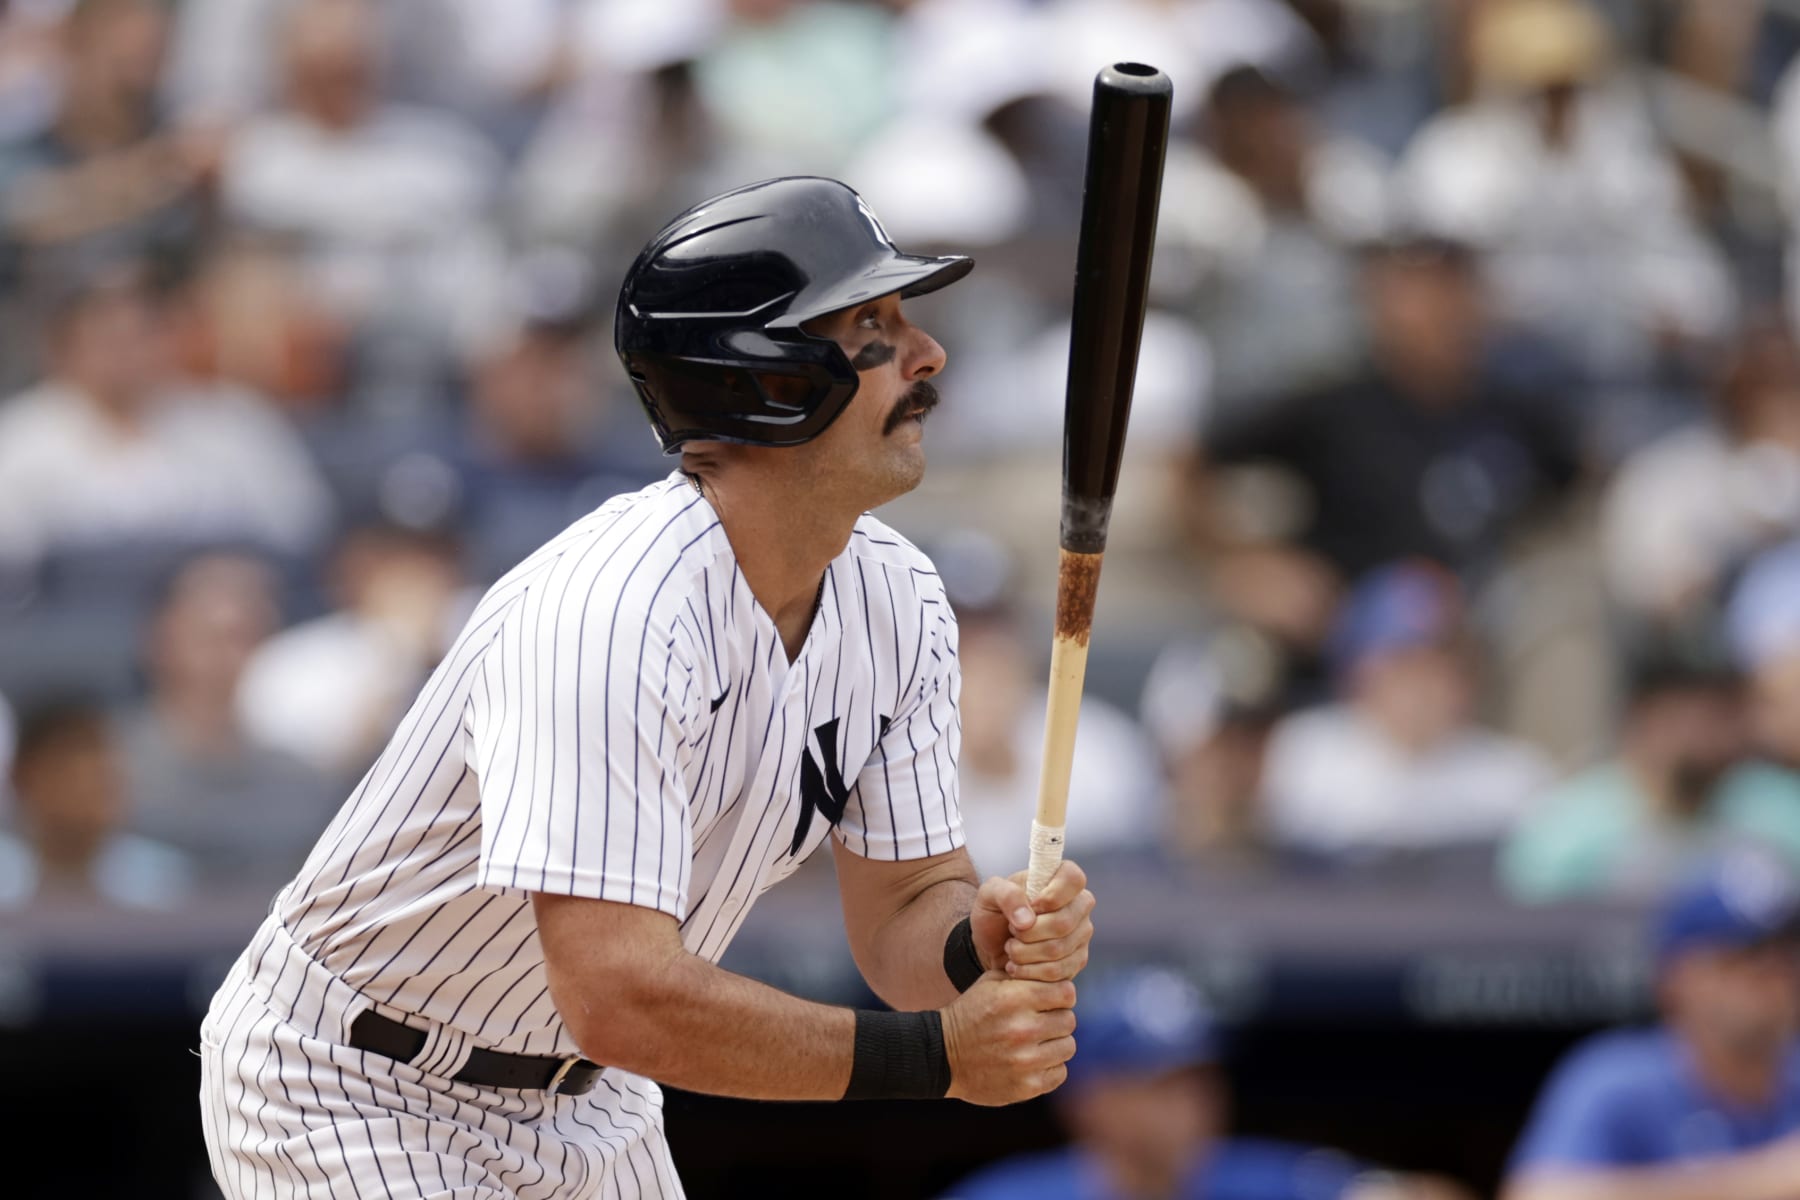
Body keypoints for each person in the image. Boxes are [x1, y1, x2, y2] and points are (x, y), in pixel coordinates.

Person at [198, 176, 1097, 1198]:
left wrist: (974, 952)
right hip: (358, 1079)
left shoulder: (899, 597)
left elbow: (902, 908)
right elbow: (621, 994)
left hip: (592, 1095)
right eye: (875, 329)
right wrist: (936, 1060)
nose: (929, 356)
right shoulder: (609, 612)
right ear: (773, 382)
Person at [941, 964, 1474, 1200]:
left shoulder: (1265, 1180)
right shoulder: (1008, 1192)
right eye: (1162, 1084)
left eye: (1199, 1078)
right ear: (1094, 1101)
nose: (1193, 1105)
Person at [1501, 850, 1800, 1200]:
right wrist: (1765, 1181)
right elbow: (1537, 1194)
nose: (1771, 975)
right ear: (1674, 978)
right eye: (1743, 957)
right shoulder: (1617, 1077)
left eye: (1786, 954)